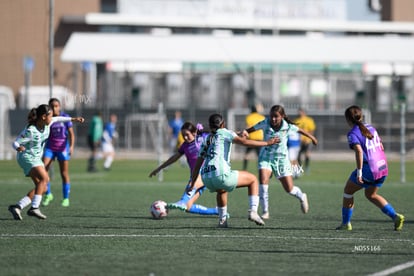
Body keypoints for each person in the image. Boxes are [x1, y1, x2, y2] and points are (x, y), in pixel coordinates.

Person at [187, 113, 278, 228]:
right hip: (220, 174)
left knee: (221, 190)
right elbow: (244, 142)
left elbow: (197, 165)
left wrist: (193, 184)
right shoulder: (226, 133)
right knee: (253, 180)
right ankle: (253, 212)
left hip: (206, 178)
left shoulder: (207, 139)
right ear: (223, 124)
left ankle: (222, 221)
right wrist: (267, 143)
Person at [8, 104, 84, 220]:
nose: (52, 118)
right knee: (45, 179)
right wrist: (18, 147)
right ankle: (34, 208)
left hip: (36, 158)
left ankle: (18, 206)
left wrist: (73, 119)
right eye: (50, 115)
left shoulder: (47, 123)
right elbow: (16, 142)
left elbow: (58, 119)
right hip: (27, 157)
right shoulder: (31, 130)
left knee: (42, 187)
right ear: (44, 117)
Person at [242, 105, 317, 220]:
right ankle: (265, 211)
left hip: (281, 160)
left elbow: (300, 130)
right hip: (266, 157)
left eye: (276, 117)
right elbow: (251, 129)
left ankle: (302, 196)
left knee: (289, 189)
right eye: (272, 116)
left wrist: (312, 137)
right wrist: (245, 132)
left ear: (282, 116)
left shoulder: (287, 126)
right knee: (263, 180)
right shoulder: (265, 122)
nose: (273, 119)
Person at [336, 105, 404, 231]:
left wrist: (360, 173)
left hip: (370, 170)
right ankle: (395, 216)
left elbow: (359, 152)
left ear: (347, 119)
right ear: (361, 116)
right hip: (383, 167)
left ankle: (346, 224)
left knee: (348, 191)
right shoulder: (371, 128)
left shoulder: (353, 133)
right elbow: (381, 146)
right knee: (370, 194)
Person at [149, 122, 218, 215]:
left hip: (206, 172)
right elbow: (174, 158)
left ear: (194, 132)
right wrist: (159, 168)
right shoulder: (185, 146)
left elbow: (218, 134)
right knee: (188, 207)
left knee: (191, 187)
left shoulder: (203, 138)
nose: (185, 137)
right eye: (183, 135)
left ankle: (182, 201)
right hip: (195, 176)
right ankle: (217, 211)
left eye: (187, 135)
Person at [42, 98, 77, 207]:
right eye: (52, 106)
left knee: (64, 173)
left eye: (56, 106)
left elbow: (71, 134)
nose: (54, 108)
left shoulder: (65, 117)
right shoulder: (48, 119)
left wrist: (71, 146)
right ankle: (48, 194)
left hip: (62, 149)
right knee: (43, 171)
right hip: (50, 149)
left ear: (60, 106)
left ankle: (66, 198)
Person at [242, 105, 265, 171]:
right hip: (259, 139)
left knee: (246, 155)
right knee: (259, 156)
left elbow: (247, 127)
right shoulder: (262, 117)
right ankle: (260, 169)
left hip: (251, 139)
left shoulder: (249, 117)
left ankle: (244, 169)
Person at [295, 108, 316, 173]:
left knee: (307, 154)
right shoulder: (296, 120)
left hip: (307, 141)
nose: (299, 113)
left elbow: (312, 130)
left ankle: (307, 167)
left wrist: (309, 138)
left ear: (304, 112)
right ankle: (300, 168)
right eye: (299, 112)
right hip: (299, 141)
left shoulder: (309, 120)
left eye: (301, 112)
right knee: (298, 155)